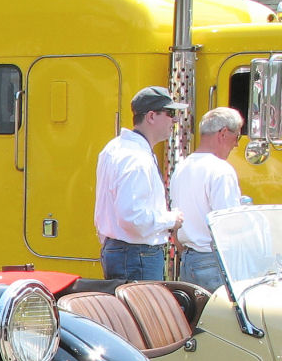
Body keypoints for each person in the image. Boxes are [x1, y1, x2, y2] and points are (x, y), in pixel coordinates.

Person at [93, 85, 186, 281]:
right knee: (142, 312)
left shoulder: (114, 148)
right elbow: (132, 218)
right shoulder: (137, 158)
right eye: (170, 113)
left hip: (121, 250)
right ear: (151, 116)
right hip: (138, 255)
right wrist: (171, 219)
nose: (175, 120)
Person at [169, 107, 244, 292]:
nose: (236, 145)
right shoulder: (221, 170)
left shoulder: (181, 169)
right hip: (213, 261)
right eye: (237, 137)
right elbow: (228, 226)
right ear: (223, 133)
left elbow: (175, 222)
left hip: (188, 260)